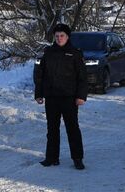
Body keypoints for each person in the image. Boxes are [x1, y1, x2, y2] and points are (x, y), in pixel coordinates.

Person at [34, 23, 88, 170]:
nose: (59, 38)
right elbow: (40, 75)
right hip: (52, 97)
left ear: (67, 36)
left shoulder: (75, 53)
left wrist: (81, 96)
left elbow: (82, 77)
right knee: (52, 129)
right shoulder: (48, 52)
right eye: (56, 36)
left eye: (62, 36)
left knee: (72, 128)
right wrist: (39, 94)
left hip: (69, 98)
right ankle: (51, 158)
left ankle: (77, 158)